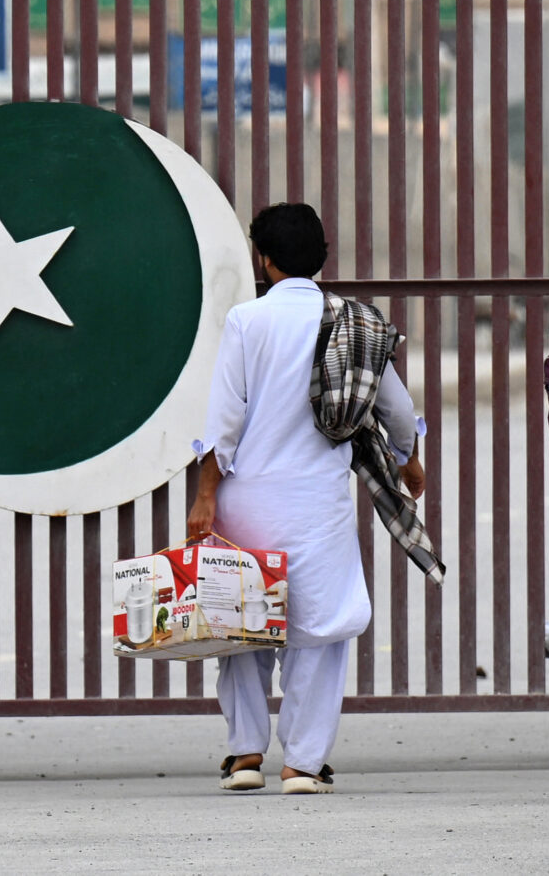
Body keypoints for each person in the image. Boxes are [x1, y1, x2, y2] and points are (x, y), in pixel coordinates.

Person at [185, 202, 424, 796]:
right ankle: (301, 764)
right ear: (321, 257)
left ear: (263, 260)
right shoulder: (360, 324)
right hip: (317, 505)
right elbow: (394, 408)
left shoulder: (247, 321)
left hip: (248, 501)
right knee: (318, 632)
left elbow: (224, 422)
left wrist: (205, 498)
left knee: (241, 625)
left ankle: (244, 754)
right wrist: (408, 459)